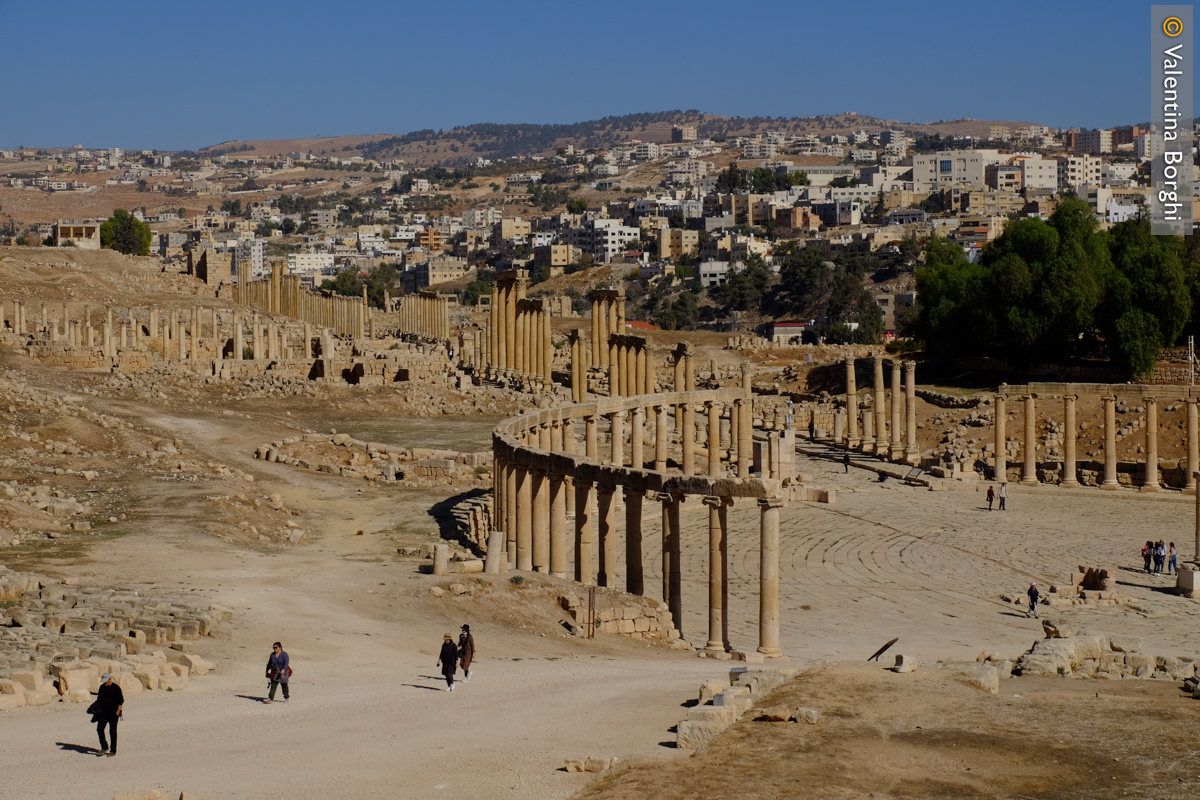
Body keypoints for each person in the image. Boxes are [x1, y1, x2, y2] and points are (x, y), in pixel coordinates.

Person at [94, 673, 123, 756]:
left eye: (105, 681)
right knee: (99, 729)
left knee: (112, 732)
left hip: (113, 714)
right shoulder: (102, 687)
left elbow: (120, 701)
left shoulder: (116, 688)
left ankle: (113, 750)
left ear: (110, 679)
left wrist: (117, 713)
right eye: (103, 682)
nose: (104, 683)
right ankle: (104, 747)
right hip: (103, 713)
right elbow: (99, 699)